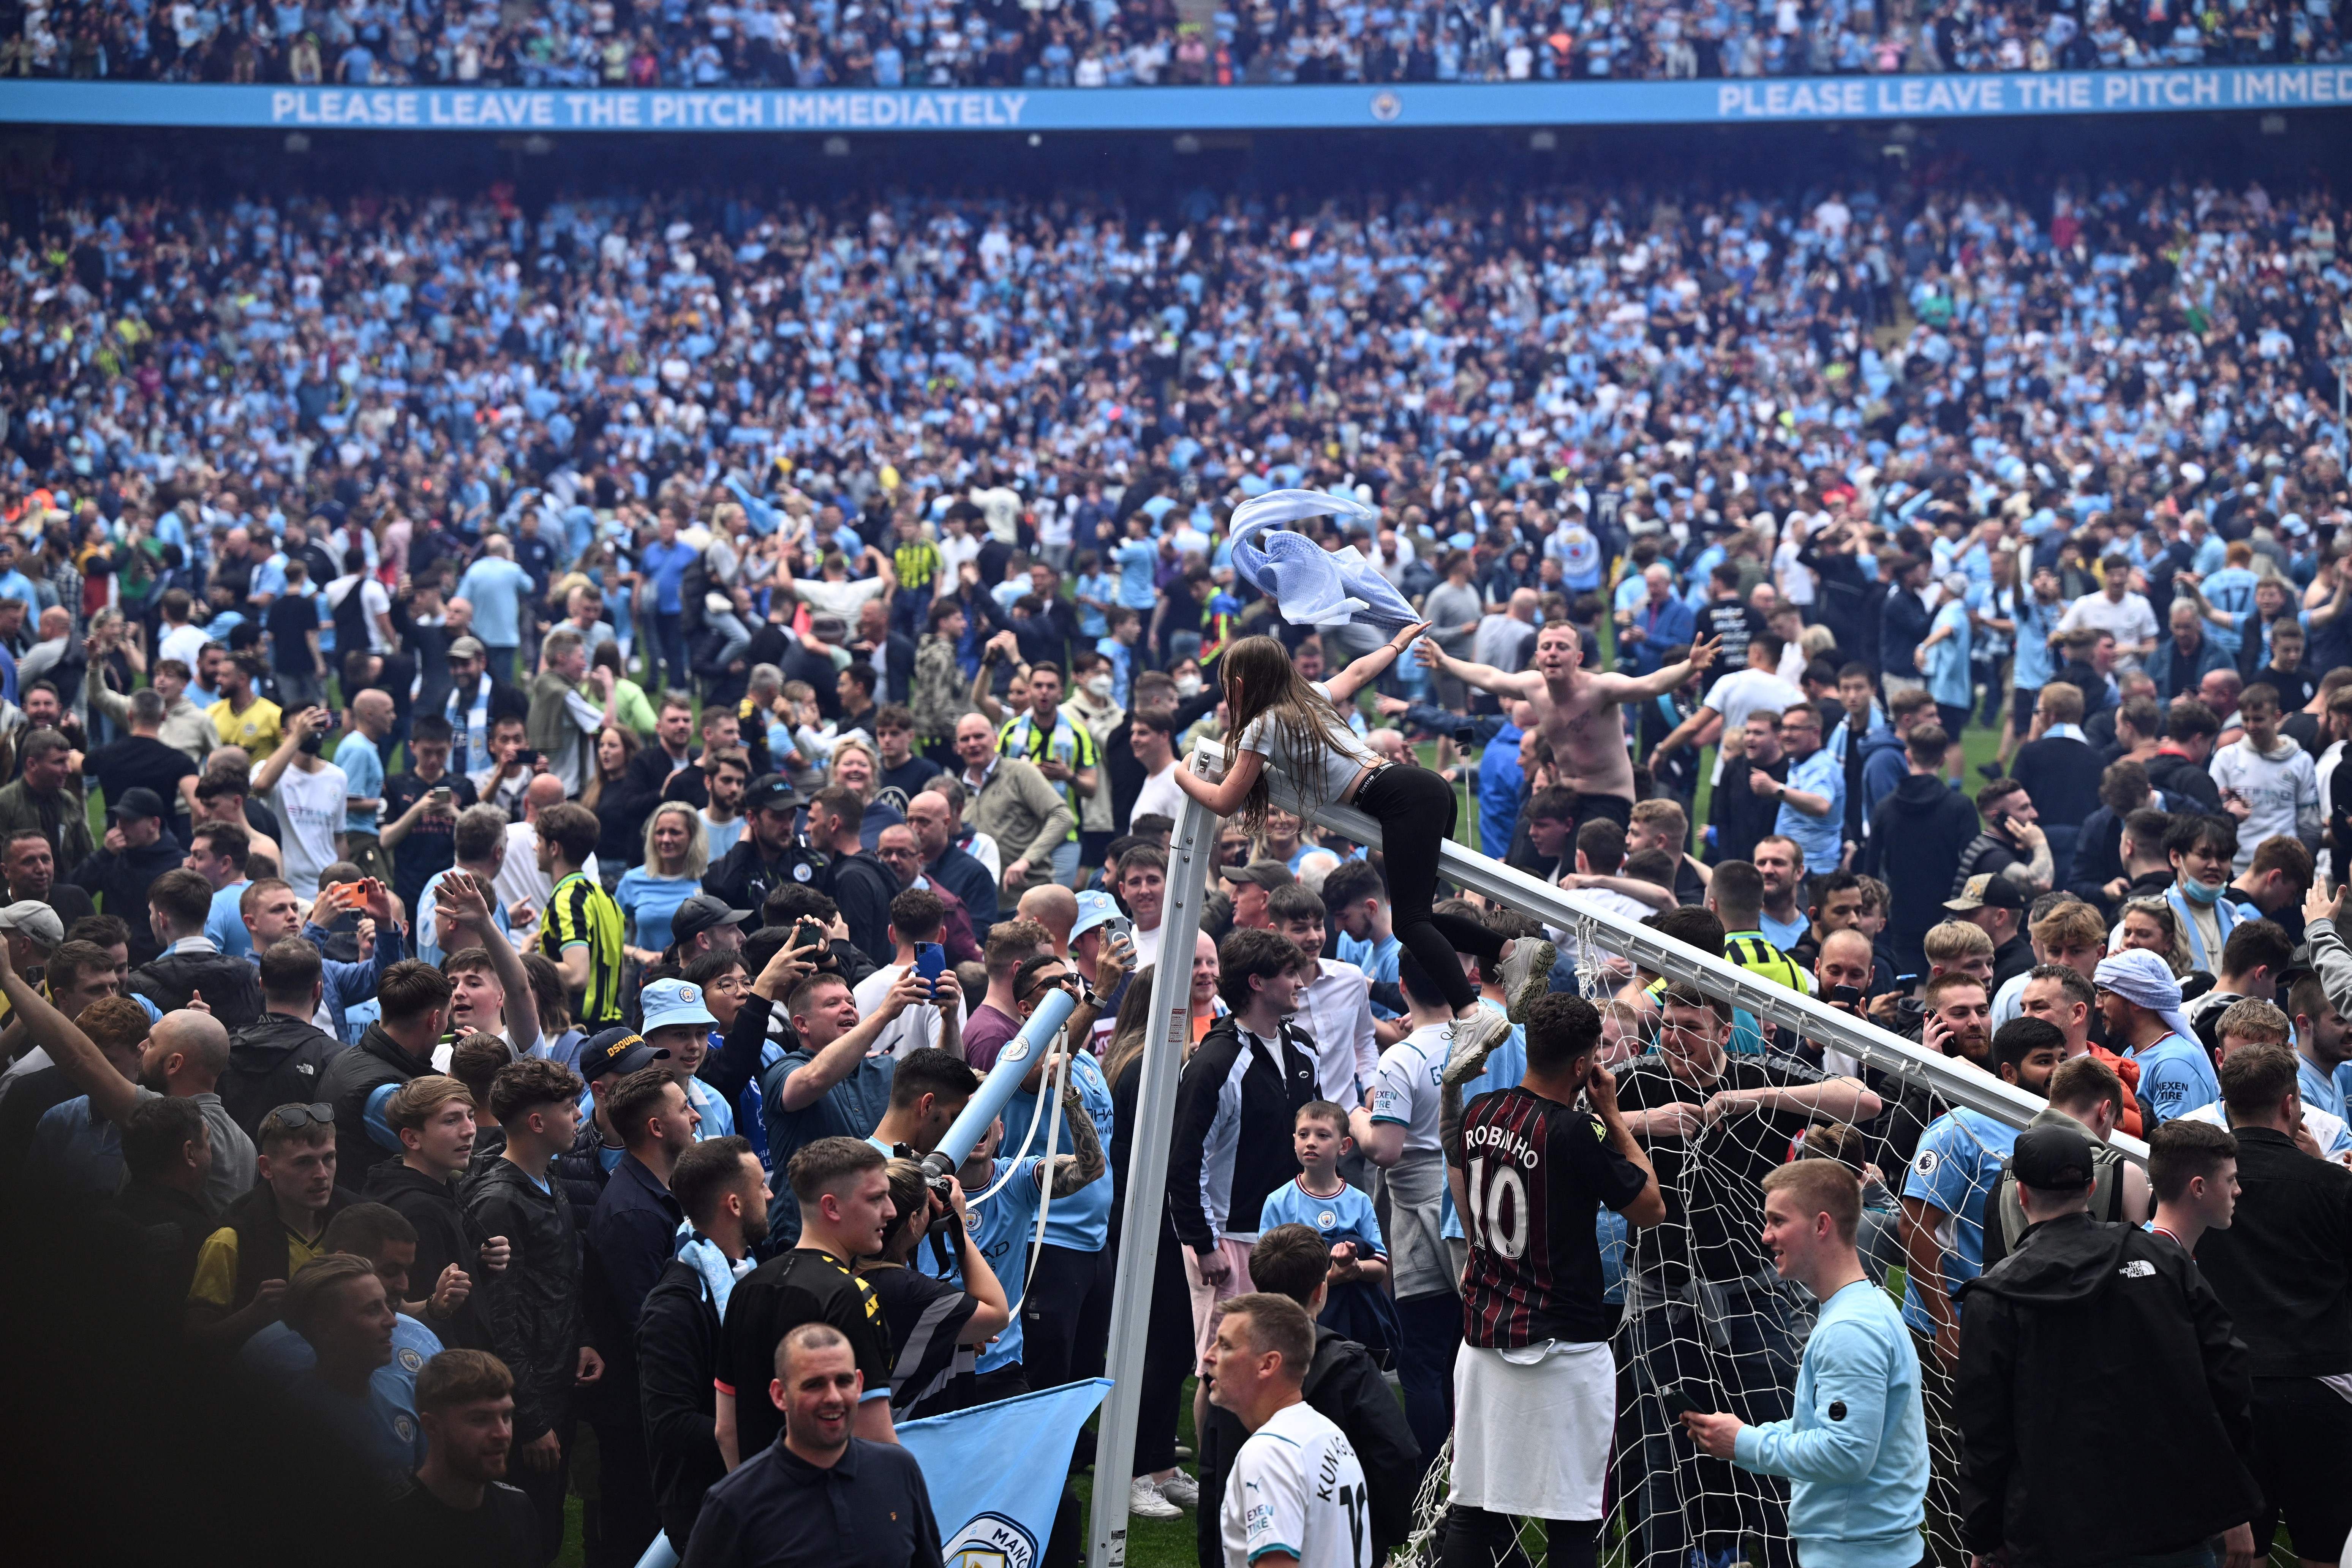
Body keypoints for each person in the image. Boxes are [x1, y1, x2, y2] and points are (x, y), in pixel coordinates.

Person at [1178, 632, 1551, 1057]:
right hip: (1423, 788)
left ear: (1240, 685)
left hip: (1400, 800)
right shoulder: (1309, 699)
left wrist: (1182, 773)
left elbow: (1226, 798)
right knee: (1421, 918)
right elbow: (1358, 672)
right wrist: (1396, 645)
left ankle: (1471, 1016)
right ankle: (1509, 950)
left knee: (1409, 925)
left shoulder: (1263, 725)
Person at [1612, 981, 1878, 1568]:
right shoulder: (1640, 1079)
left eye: (1692, 1028)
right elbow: (1572, 1119)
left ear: (1726, 1032)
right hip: (1661, 1295)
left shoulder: (1757, 1075)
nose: (1675, 1040)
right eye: (1668, 1026)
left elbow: (1865, 1101)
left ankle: (1783, 1556)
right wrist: (1644, 1121)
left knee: (1774, 1441)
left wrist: (1751, 1099)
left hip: (1754, 1295)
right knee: (1664, 1454)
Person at [1954, 1122, 2262, 1568]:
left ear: (2021, 1195)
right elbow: (2230, 1378)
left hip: (2055, 1536)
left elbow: (1984, 1432)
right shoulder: (2164, 1260)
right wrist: (2227, 1493)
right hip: (2173, 1523)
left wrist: (1984, 1532)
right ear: (2093, 1186)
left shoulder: (1995, 1297)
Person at [1430, 990, 1661, 1568]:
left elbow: (1463, 1183)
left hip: (1486, 1336)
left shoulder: (1482, 1111)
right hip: (1564, 1344)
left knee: (1472, 1510)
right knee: (1574, 1521)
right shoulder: (1571, 1131)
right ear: (1584, 1066)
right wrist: (1611, 1115)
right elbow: (1650, 1207)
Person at [1679, 1159, 1928, 1568]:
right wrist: (1740, 1437)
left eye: (1778, 1220)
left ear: (1821, 1225)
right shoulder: (1864, 1306)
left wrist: (1744, 1442)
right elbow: (1833, 1433)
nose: (1766, 1236)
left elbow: (1846, 1454)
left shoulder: (1851, 1330)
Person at [2190, 1042, 2352, 1568]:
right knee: (2325, 1552)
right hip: (2323, 1386)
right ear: (2290, 1104)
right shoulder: (2333, 1185)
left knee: (2243, 1553)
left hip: (2229, 1388)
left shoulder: (2197, 1188)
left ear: (2226, 1102)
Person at [463, 1057, 602, 1557]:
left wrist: (584, 1335)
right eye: (570, 1109)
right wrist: (530, 1419)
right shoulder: (500, 1200)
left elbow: (562, 1275)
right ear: (537, 1123)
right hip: (530, 1397)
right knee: (526, 1538)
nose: (579, 1117)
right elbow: (500, 1319)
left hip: (559, 1377)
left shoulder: (549, 1178)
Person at [684, 1321, 945, 1568]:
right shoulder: (733, 1504)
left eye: (843, 1382)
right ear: (779, 1395)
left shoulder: (898, 1469)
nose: (832, 1397)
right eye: (814, 1385)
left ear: (859, 1385)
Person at [716, 1138, 901, 1466]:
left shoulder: (747, 1288)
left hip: (761, 1502)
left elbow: (726, 1431)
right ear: (831, 1207)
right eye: (876, 1199)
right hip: (831, 1506)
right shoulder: (850, 1294)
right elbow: (875, 1439)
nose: (892, 1211)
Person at [583, 1067, 701, 1568]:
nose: (695, 1115)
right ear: (656, 1128)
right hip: (642, 1418)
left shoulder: (659, 1195)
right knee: (640, 1538)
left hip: (657, 1405)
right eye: (683, 1109)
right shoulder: (634, 1213)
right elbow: (650, 1325)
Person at [641, 1136, 771, 1555]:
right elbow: (670, 1424)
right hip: (709, 1513)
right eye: (761, 1187)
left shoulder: (749, 1276)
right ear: (734, 1205)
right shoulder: (675, 1306)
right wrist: (768, 1436)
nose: (770, 1194)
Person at [1206, 1291, 1372, 1568]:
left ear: (1268, 1364)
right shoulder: (1329, 1434)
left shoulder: (1270, 1454)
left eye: (1225, 1345)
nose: (1209, 1356)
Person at [364, 1073, 500, 1351]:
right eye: (451, 1121)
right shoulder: (419, 1212)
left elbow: (450, 1291)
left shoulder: (440, 1187)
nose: (470, 1130)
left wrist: (479, 1265)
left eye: (470, 1116)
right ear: (412, 1138)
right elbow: (433, 1316)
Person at [389, 1349, 543, 1568]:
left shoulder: (518, 1508)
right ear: (432, 1427)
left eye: (507, 1416)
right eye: (480, 1419)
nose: (503, 1434)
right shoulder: (389, 1525)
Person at [2094, 947, 2219, 1127]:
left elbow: (2179, 1147)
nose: (2098, 1004)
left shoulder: (2175, 1062)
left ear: (2136, 999)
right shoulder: (2132, 1051)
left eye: (2105, 993)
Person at [535, 801, 626, 1029]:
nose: (535, 848)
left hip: (579, 1034)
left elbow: (576, 975)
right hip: (614, 1030)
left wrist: (526, 963)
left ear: (554, 848)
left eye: (539, 841)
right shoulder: (607, 897)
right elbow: (621, 980)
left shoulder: (567, 899)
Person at [253, 705, 350, 902]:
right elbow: (262, 786)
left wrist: (343, 883)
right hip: (284, 889)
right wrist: (298, 737)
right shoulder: (268, 770)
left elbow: (339, 837)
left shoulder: (337, 777)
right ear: (286, 734)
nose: (312, 732)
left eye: (317, 725)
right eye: (305, 726)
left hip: (325, 891)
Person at [2147, 1117, 2240, 1257]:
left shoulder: (2155, 1252)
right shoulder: (2156, 1262)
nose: (2237, 1190)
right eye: (2230, 1179)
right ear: (2198, 1188)